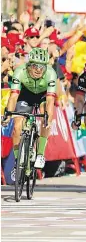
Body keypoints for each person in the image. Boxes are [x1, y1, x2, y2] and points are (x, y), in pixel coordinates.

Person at [2, 48, 57, 180]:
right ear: (28, 65)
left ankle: (40, 154)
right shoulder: (19, 71)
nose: (39, 70)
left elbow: (50, 100)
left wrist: (47, 119)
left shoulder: (51, 73)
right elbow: (13, 97)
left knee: (46, 116)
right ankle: (18, 163)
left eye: (42, 66)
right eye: (35, 66)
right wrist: (8, 114)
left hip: (43, 96)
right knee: (16, 127)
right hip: (25, 95)